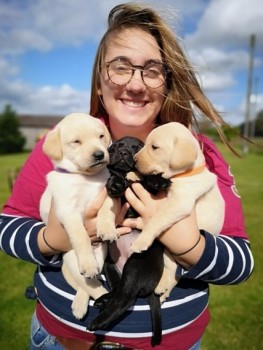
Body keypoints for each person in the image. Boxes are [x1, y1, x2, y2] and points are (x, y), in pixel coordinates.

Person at [0, 3, 254, 350]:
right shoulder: (65, 143)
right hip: (62, 340)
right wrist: (51, 240)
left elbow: (242, 263)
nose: (135, 84)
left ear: (168, 81)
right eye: (120, 67)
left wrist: (191, 245)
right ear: (99, 80)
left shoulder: (195, 153)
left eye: (152, 70)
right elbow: (7, 227)